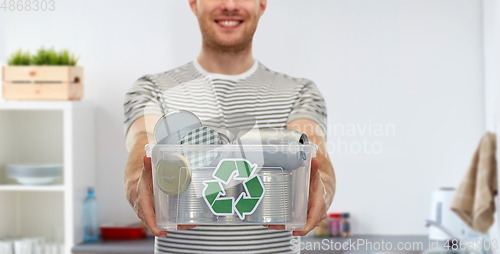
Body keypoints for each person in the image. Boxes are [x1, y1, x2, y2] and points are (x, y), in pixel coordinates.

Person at [123, 0, 336, 253]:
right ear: (194, 3)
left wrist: (322, 183)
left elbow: (312, 148)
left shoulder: (301, 92)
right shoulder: (152, 89)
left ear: (262, 4)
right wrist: (136, 180)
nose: (230, 5)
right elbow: (141, 142)